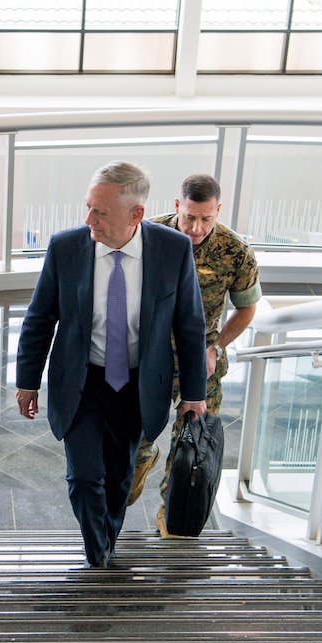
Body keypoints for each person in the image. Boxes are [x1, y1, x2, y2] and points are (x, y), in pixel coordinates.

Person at [15, 160, 207, 568]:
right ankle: (97, 554)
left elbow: (190, 325)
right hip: (82, 381)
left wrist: (194, 394)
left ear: (135, 214)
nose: (89, 220)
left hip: (138, 384)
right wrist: (27, 381)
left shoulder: (172, 251)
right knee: (84, 477)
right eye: (88, 207)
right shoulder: (66, 248)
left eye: (100, 212)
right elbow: (39, 318)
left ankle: (106, 543)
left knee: (120, 478)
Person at [125, 174, 261, 536]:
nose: (197, 228)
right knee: (133, 435)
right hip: (149, 357)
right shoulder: (146, 235)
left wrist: (215, 348)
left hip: (201, 361)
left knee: (190, 445)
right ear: (176, 207)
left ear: (218, 210)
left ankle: (172, 515)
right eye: (189, 218)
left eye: (206, 219)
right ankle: (140, 462)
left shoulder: (236, 251)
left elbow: (247, 308)